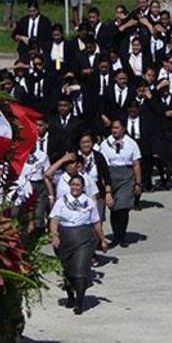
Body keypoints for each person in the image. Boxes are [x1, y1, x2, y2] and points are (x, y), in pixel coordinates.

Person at [49, 175, 107, 315]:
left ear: (83, 187)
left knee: (79, 272)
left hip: (84, 238)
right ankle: (70, 296)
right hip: (66, 237)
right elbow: (54, 220)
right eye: (73, 184)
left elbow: (96, 223)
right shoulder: (61, 201)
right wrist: (54, 236)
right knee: (67, 271)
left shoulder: (89, 202)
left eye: (78, 185)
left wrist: (102, 240)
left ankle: (79, 303)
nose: (75, 187)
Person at [100, 119, 143, 247]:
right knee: (114, 208)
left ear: (123, 129)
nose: (114, 130)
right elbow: (102, 164)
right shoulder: (106, 143)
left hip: (126, 176)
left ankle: (122, 235)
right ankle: (116, 236)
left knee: (123, 208)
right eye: (113, 128)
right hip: (111, 175)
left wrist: (138, 183)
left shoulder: (131, 144)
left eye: (117, 128)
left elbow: (136, 164)